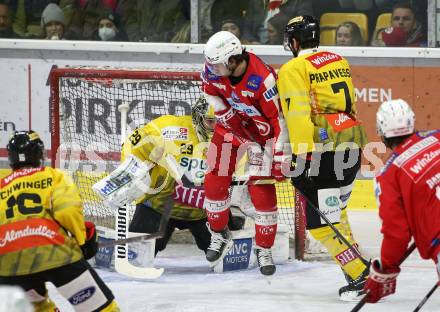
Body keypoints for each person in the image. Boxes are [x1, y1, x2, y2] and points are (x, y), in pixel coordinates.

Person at [277, 15, 369, 300]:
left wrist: (300, 158)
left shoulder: (293, 67)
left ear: (294, 41)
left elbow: (298, 114)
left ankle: (360, 274)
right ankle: (357, 269)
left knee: (321, 225)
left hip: (323, 154)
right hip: (351, 144)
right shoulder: (337, 59)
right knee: (335, 214)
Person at [201, 30, 290, 276]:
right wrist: (223, 112)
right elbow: (209, 89)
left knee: (260, 188)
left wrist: (278, 156)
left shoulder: (263, 79)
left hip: (261, 138)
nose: (213, 69)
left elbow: (278, 120)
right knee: (214, 181)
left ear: (233, 60)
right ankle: (219, 233)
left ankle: (264, 249)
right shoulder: (213, 69)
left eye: (218, 65)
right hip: (230, 128)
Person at [0, 130, 119, 311]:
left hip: (8, 264)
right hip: (55, 254)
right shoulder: (54, 176)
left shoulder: (1, 186)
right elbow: (68, 210)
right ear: (39, 153)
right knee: (101, 309)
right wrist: (82, 241)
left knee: (37, 308)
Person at [363, 99, 440, 303]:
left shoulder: (389, 174)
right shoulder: (437, 136)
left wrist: (385, 270)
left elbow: (396, 232)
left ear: (381, 131)